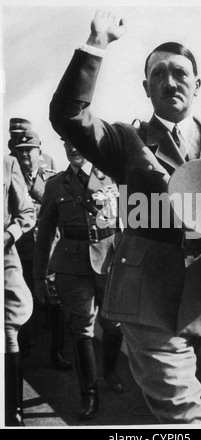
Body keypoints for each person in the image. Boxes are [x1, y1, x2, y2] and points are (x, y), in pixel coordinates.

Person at [49, 10, 201, 424]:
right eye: (158, 74)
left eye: (180, 73)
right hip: (147, 302)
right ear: (146, 87)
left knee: (192, 404)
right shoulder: (125, 139)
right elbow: (67, 116)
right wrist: (96, 43)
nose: (170, 82)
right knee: (183, 416)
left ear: (197, 84)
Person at [33, 139, 124, 421]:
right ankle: (89, 394)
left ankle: (109, 370)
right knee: (82, 327)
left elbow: (133, 221)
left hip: (110, 262)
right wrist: (39, 278)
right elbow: (45, 235)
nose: (73, 148)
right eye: (67, 144)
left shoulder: (113, 178)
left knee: (113, 323)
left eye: (79, 143)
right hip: (72, 266)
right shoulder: (55, 184)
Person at [11, 129, 71, 370]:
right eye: (20, 150)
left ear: (39, 151)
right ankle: (24, 343)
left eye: (29, 149)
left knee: (55, 302)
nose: (25, 154)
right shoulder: (9, 178)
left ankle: (58, 351)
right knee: (23, 299)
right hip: (22, 250)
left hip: (50, 250)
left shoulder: (52, 178)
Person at [3, 154, 35, 426]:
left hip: (3, 258)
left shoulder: (7, 163)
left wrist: (9, 235)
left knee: (9, 329)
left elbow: (27, 211)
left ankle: (13, 410)